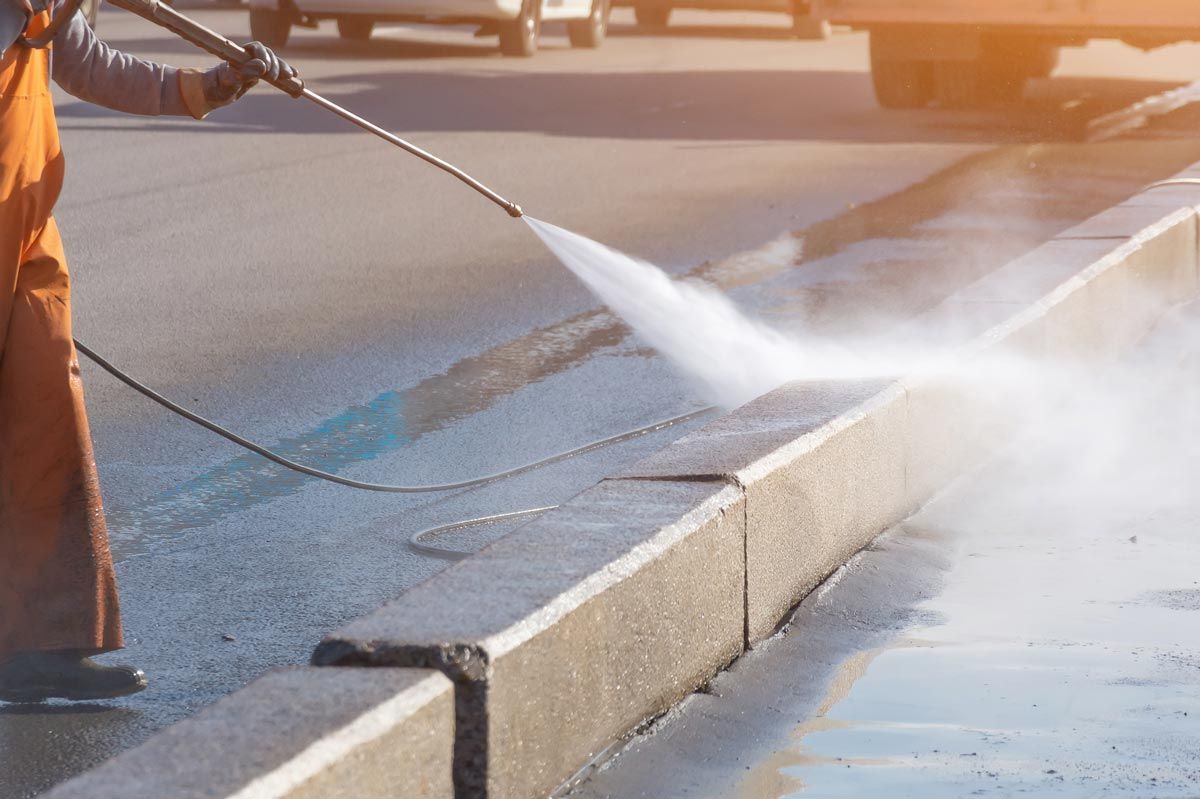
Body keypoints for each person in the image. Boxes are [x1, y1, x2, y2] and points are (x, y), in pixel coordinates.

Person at [0, 0, 293, 702]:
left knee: (47, 415)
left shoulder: (47, 11)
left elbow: (90, 65)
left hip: (23, 223)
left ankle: (40, 643)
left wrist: (208, 86)